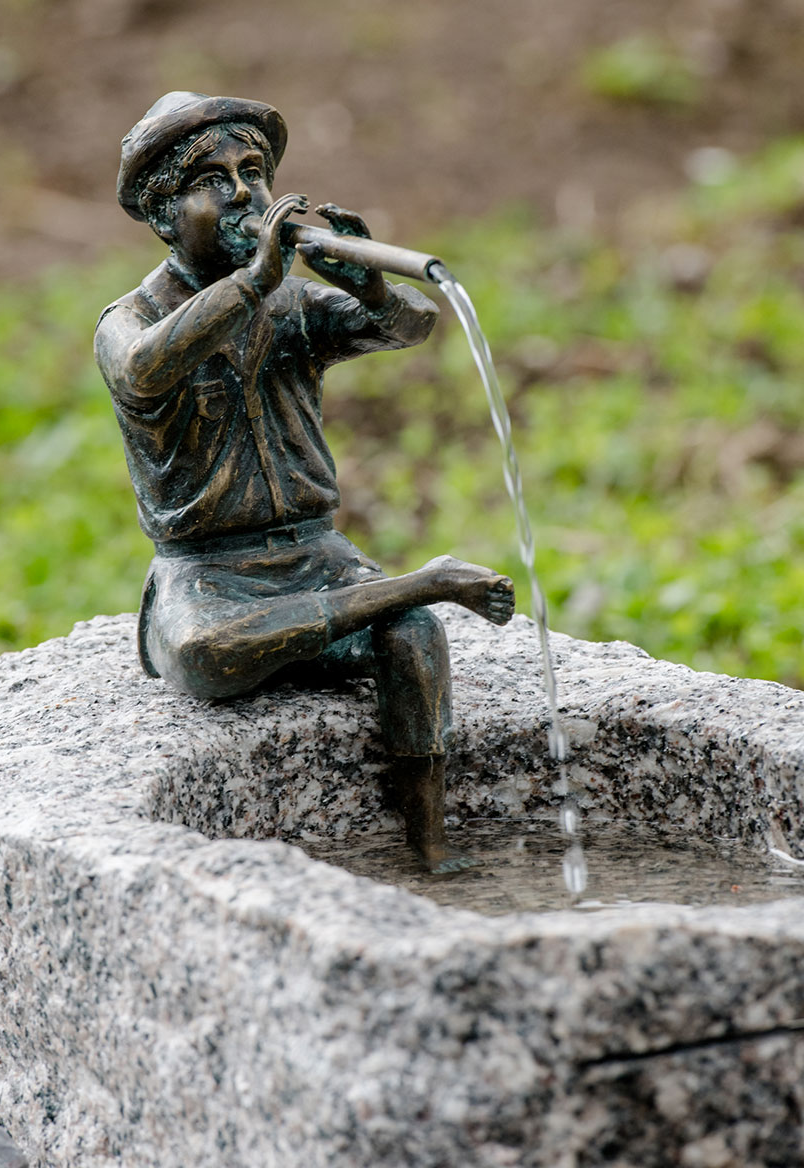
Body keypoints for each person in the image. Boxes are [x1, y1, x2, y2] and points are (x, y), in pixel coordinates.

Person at [95, 91, 514, 872]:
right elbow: (145, 367)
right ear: (160, 214)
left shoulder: (290, 300)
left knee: (414, 639)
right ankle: (418, 582)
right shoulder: (132, 318)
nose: (242, 195)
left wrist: (368, 284)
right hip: (209, 575)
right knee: (202, 654)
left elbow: (411, 327)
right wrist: (253, 281)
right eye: (211, 180)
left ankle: (430, 844)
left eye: (252, 172)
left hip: (314, 554)